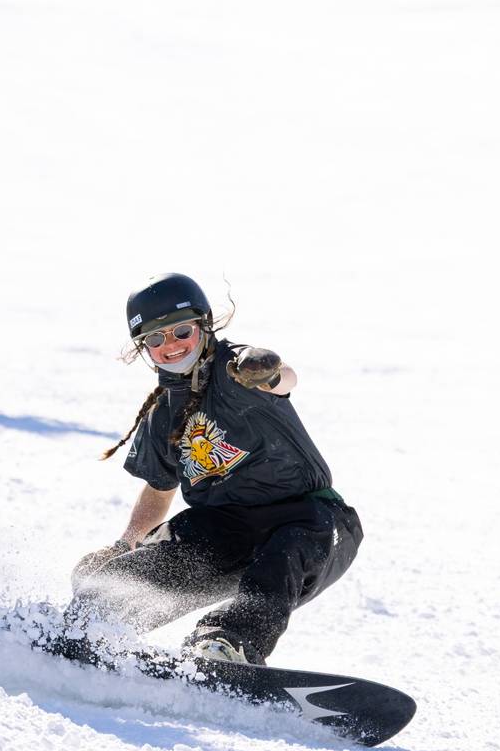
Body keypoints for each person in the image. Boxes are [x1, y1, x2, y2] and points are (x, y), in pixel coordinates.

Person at [68, 272, 362, 666]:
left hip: (312, 520)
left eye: (181, 331)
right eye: (155, 339)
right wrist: (124, 546)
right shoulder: (163, 415)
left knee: (282, 558)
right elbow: (159, 490)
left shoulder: (236, 370)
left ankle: (226, 644)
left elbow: (284, 380)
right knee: (157, 558)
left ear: (204, 325)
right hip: (228, 528)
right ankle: (88, 627)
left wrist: (267, 372)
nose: (170, 346)